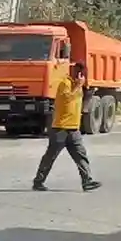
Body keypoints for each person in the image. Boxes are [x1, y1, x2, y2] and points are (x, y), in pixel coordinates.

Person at [33, 59, 101, 192]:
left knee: (81, 156)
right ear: (74, 72)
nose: (81, 77)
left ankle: (87, 180)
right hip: (60, 128)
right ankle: (38, 181)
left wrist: (87, 93)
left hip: (74, 129)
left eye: (82, 74)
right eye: (79, 73)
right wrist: (77, 86)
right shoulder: (65, 83)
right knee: (50, 157)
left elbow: (79, 105)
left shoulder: (79, 87)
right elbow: (67, 99)